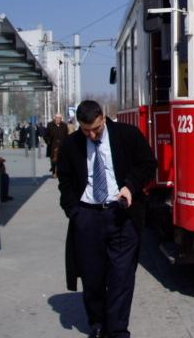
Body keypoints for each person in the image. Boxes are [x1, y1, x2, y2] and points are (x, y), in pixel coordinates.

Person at [57, 100, 157, 338]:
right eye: (86, 131)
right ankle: (98, 323)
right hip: (87, 217)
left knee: (121, 278)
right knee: (92, 277)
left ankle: (118, 330)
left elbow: (148, 164)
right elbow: (65, 181)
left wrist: (130, 187)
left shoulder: (127, 135)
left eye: (96, 129)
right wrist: (74, 212)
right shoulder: (71, 145)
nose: (92, 135)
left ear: (103, 118)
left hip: (121, 214)